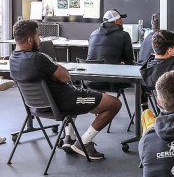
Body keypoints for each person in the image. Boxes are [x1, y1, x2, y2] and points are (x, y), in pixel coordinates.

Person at [9, 20, 121, 160]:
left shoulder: (12, 59)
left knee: (92, 100)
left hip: (36, 108)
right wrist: (55, 72)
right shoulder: (37, 58)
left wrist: (54, 76)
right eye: (38, 36)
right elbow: (66, 77)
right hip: (64, 102)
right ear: (30, 40)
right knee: (114, 103)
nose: (41, 40)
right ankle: (84, 142)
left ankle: (69, 137)